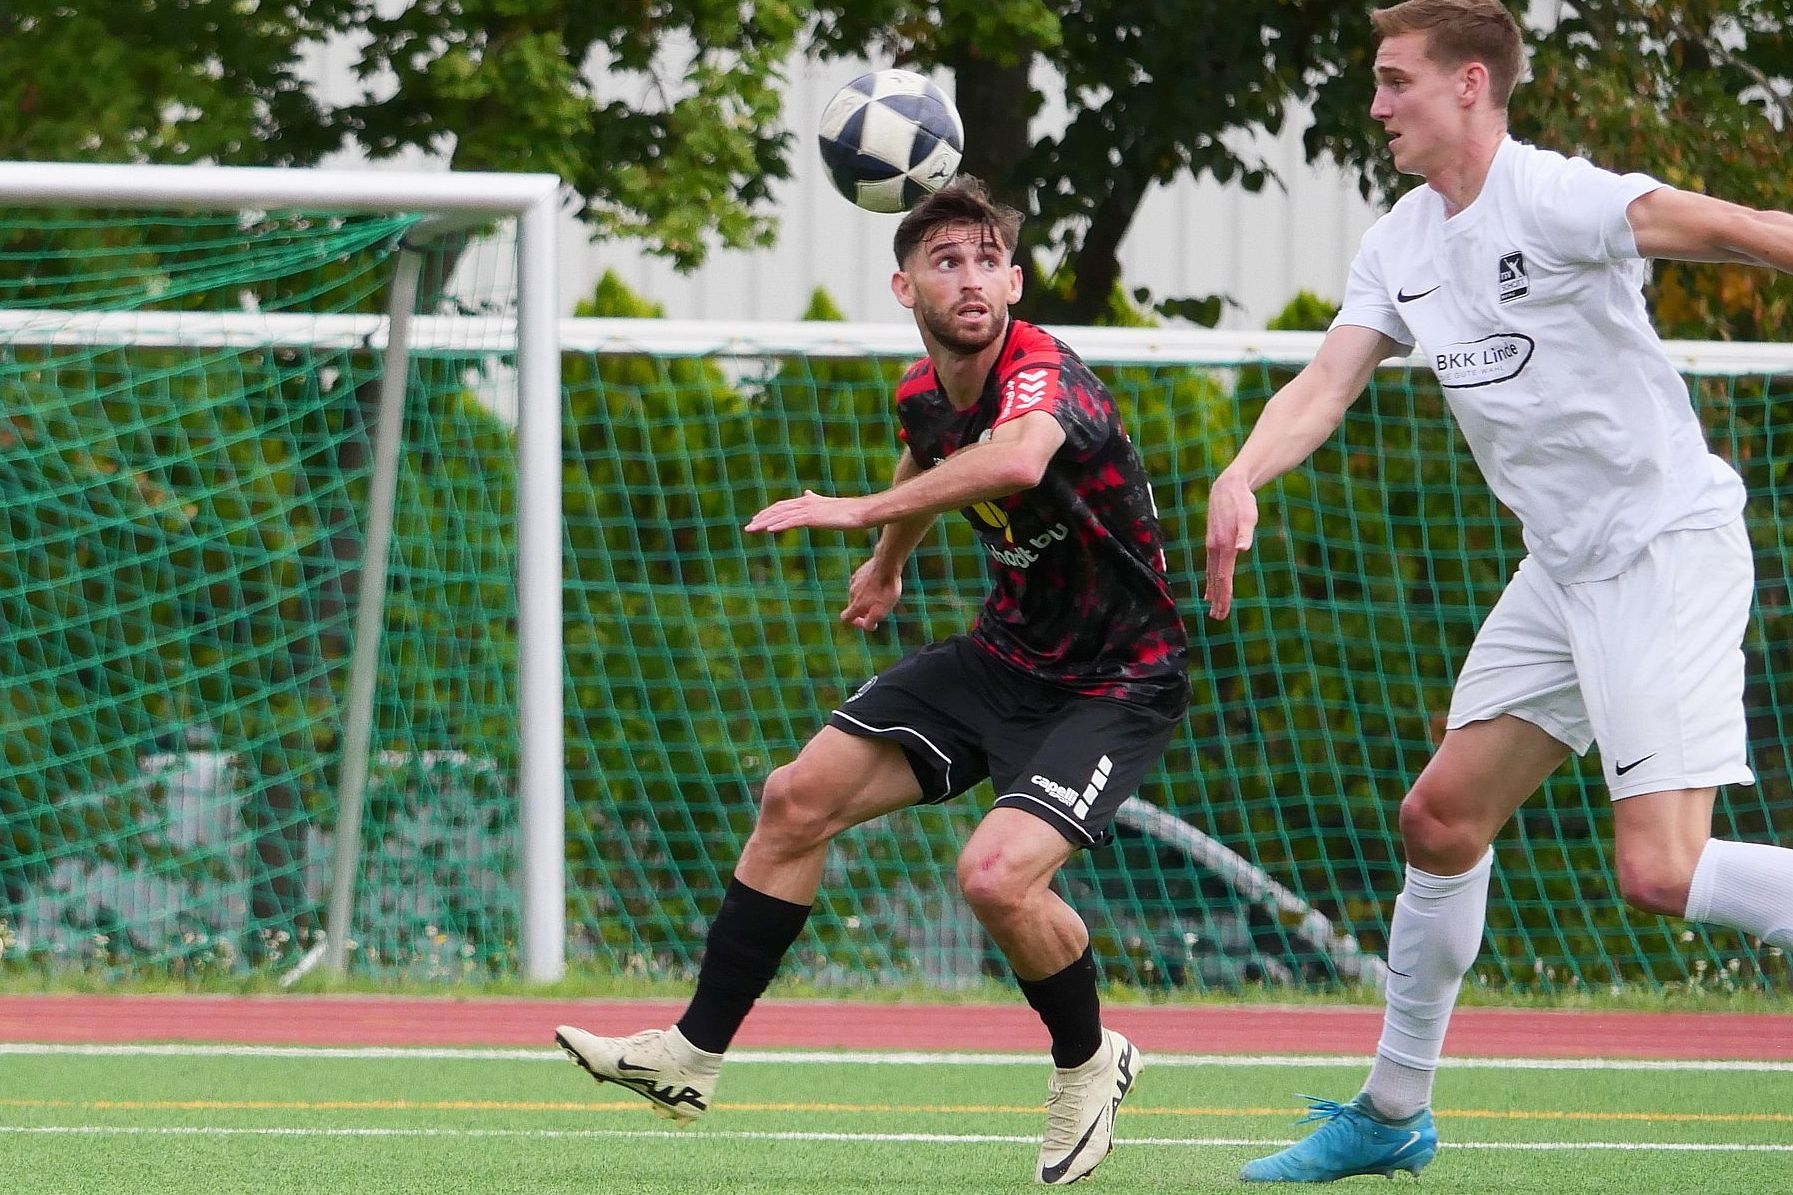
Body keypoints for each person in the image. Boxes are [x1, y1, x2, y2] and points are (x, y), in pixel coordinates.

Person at [1204, 0, 1793, 1182]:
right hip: (1560, 568)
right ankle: (1390, 1113)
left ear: (1468, 83)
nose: (1375, 106)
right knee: (1437, 819)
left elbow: (1739, 230)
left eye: (1394, 82)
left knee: (1659, 871)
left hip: (1660, 550)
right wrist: (1238, 473)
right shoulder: (1398, 244)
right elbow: (1324, 384)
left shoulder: (1555, 196)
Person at [555, 175, 1190, 1186]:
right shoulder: (921, 392)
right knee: (794, 798)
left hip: (1117, 679)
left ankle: (1088, 1061)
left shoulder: (1044, 376)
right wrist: (888, 561)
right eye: (946, 261)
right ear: (905, 288)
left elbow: (1015, 463)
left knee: (993, 877)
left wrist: (853, 513)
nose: (970, 277)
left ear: (1015, 282)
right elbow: (925, 456)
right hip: (1003, 655)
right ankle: (688, 1056)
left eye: (988, 260)